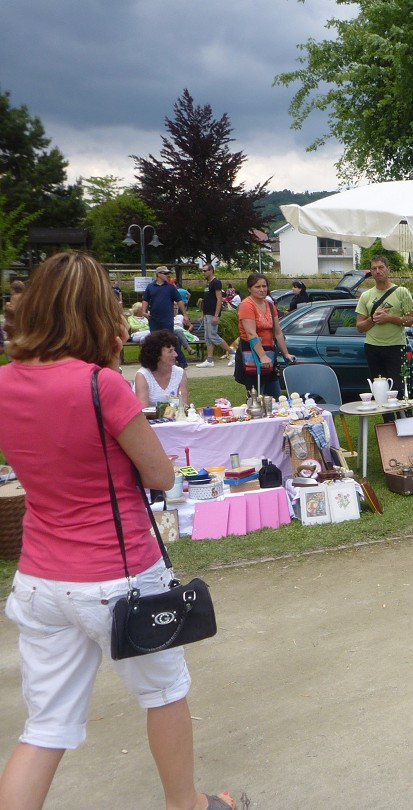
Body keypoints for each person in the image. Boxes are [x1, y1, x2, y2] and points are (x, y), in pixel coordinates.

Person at [0, 251, 241, 810]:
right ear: (98, 314)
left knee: (45, 726)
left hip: (39, 577)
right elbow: (159, 475)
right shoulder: (101, 385)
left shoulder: (6, 383)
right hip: (119, 572)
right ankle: (188, 804)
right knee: (164, 693)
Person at [354, 254, 413, 395]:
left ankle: (401, 417)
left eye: (381, 267)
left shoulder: (402, 292)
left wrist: (390, 318)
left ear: (388, 269)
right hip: (373, 347)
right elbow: (359, 327)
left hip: (396, 346)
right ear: (371, 272)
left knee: (398, 389)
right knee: (380, 391)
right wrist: (373, 319)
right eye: (374, 268)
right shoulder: (366, 296)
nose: (378, 271)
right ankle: (388, 418)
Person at [234, 272, 296, 398]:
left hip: (269, 354)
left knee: (276, 397)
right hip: (252, 355)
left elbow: (277, 332)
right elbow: (251, 333)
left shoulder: (270, 305)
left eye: (264, 286)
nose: (262, 290)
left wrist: (286, 353)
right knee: (256, 398)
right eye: (257, 287)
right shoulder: (247, 305)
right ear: (249, 288)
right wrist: (262, 356)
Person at [143, 267, 191, 369]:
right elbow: (145, 300)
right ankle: (156, 362)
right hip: (154, 318)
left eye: (167, 273)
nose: (167, 275)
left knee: (169, 340)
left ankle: (182, 361)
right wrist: (144, 311)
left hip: (167, 319)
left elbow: (179, 301)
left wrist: (185, 315)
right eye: (164, 273)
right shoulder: (150, 287)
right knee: (154, 341)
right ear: (158, 274)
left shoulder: (170, 287)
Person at [135, 330, 189, 410]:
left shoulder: (180, 373)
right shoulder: (142, 375)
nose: (176, 354)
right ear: (156, 354)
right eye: (170, 351)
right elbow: (143, 410)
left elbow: (184, 407)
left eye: (174, 350)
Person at [196, 263, 230, 366]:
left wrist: (216, 315)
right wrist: (203, 314)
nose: (203, 272)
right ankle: (209, 360)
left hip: (213, 313)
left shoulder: (216, 282)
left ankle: (233, 352)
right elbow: (206, 300)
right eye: (202, 270)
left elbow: (219, 299)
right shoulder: (208, 283)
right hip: (207, 313)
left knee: (213, 335)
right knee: (207, 337)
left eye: (205, 270)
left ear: (211, 270)